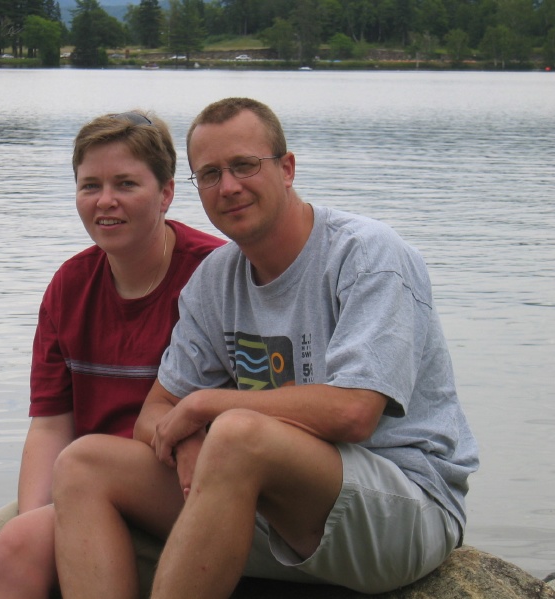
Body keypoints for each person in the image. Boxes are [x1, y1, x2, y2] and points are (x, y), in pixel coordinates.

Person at [51, 97, 479, 598]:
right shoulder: (215, 279)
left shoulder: (368, 255)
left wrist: (206, 405)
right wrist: (188, 440)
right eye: (209, 174)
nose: (228, 187)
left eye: (245, 166)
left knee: (235, 434)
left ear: (288, 168)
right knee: (84, 464)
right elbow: (154, 416)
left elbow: (354, 412)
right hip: (270, 502)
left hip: (403, 505)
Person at [0, 110, 223, 599]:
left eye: (125, 184)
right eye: (89, 185)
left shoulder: (213, 275)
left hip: (168, 485)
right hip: (79, 483)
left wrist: (34, 532)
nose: (106, 201)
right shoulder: (69, 286)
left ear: (166, 193)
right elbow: (52, 424)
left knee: (25, 545)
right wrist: (34, 517)